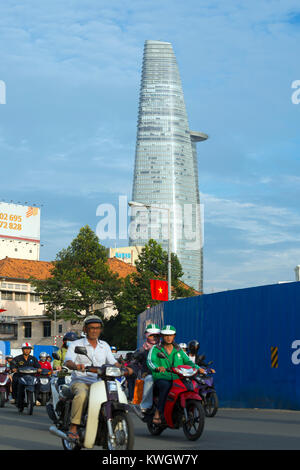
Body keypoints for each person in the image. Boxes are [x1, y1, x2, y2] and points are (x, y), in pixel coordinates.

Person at [64, 315, 121, 441]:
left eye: (97, 328)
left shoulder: (105, 345)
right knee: (82, 395)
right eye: (91, 328)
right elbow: (68, 361)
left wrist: (123, 368)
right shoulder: (76, 344)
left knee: (115, 395)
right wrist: (76, 366)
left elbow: (113, 361)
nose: (95, 331)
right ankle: (73, 426)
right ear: (85, 329)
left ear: (101, 329)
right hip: (81, 381)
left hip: (100, 382)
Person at [147, 325, 201, 425]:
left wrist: (198, 368)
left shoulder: (178, 349)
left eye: (171, 335)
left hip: (178, 377)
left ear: (174, 336)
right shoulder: (156, 348)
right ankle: (158, 412)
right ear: (162, 336)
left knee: (190, 384)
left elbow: (188, 362)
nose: (168, 337)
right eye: (166, 335)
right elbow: (150, 361)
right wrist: (157, 367)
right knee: (166, 386)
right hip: (162, 376)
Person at [128, 323, 161, 418]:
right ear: (146, 335)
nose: (154, 337)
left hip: (163, 374)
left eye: (157, 335)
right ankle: (145, 406)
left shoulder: (164, 348)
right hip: (146, 375)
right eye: (152, 335)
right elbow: (133, 363)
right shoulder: (142, 350)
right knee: (149, 379)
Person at [10, 343, 42, 410]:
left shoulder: (33, 359)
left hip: (31, 377)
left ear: (30, 350)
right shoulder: (17, 358)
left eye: (28, 349)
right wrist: (13, 368)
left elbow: (38, 366)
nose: (27, 350)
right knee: (15, 380)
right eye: (25, 349)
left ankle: (36, 398)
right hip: (20, 376)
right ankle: (14, 398)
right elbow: (12, 364)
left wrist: (39, 369)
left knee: (38, 382)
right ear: (22, 350)